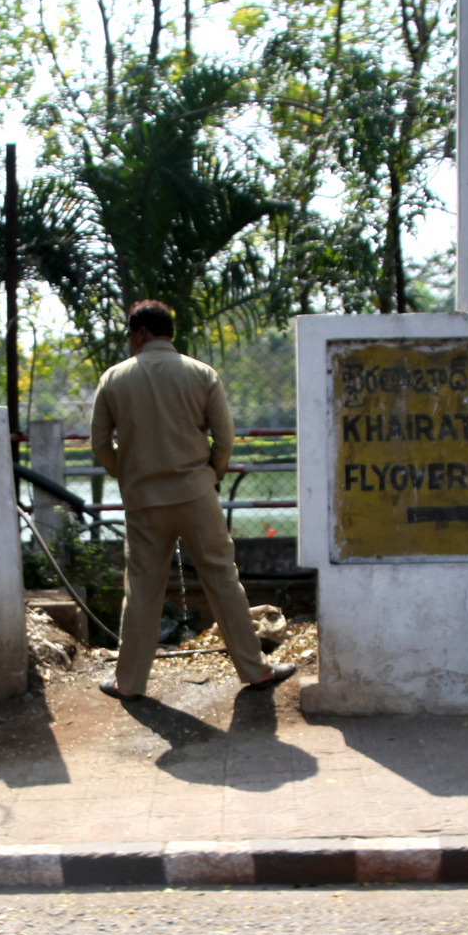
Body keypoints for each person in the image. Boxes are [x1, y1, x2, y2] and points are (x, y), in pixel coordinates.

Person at [89, 299, 295, 699]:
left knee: (143, 590)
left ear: (142, 332)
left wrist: (128, 473)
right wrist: (212, 474)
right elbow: (225, 436)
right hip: (197, 495)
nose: (130, 341)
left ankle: (129, 683)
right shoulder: (202, 374)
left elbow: (100, 442)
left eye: (131, 334)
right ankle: (255, 671)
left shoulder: (113, 379)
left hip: (145, 502)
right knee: (222, 579)